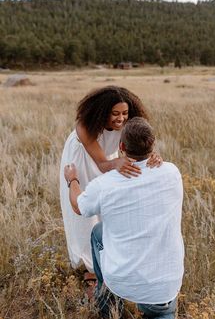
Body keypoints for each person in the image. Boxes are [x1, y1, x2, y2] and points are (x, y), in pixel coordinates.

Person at [64, 117, 184, 319]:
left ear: (121, 146)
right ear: (152, 145)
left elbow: (78, 206)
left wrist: (72, 179)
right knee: (160, 311)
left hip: (122, 280)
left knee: (97, 233)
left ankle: (110, 305)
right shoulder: (172, 172)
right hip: (165, 283)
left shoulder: (105, 184)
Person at [60, 86, 161, 274]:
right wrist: (116, 163)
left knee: (108, 207)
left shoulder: (128, 122)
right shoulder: (85, 126)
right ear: (102, 112)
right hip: (82, 161)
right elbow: (101, 163)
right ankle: (88, 267)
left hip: (109, 159)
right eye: (115, 113)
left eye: (125, 113)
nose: (121, 119)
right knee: (84, 212)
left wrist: (151, 157)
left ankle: (108, 255)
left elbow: (137, 145)